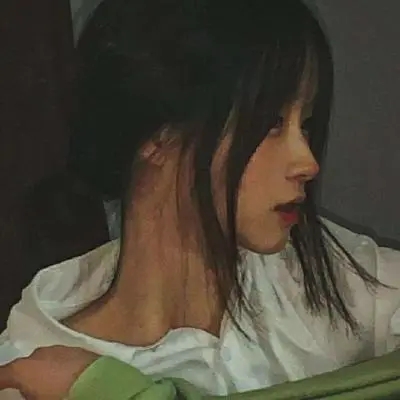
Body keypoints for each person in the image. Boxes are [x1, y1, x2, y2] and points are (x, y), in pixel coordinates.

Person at [1, 0, 399, 398]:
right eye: (270, 123)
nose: (307, 162)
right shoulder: (32, 370)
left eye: (305, 123)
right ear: (158, 136)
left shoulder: (317, 275)